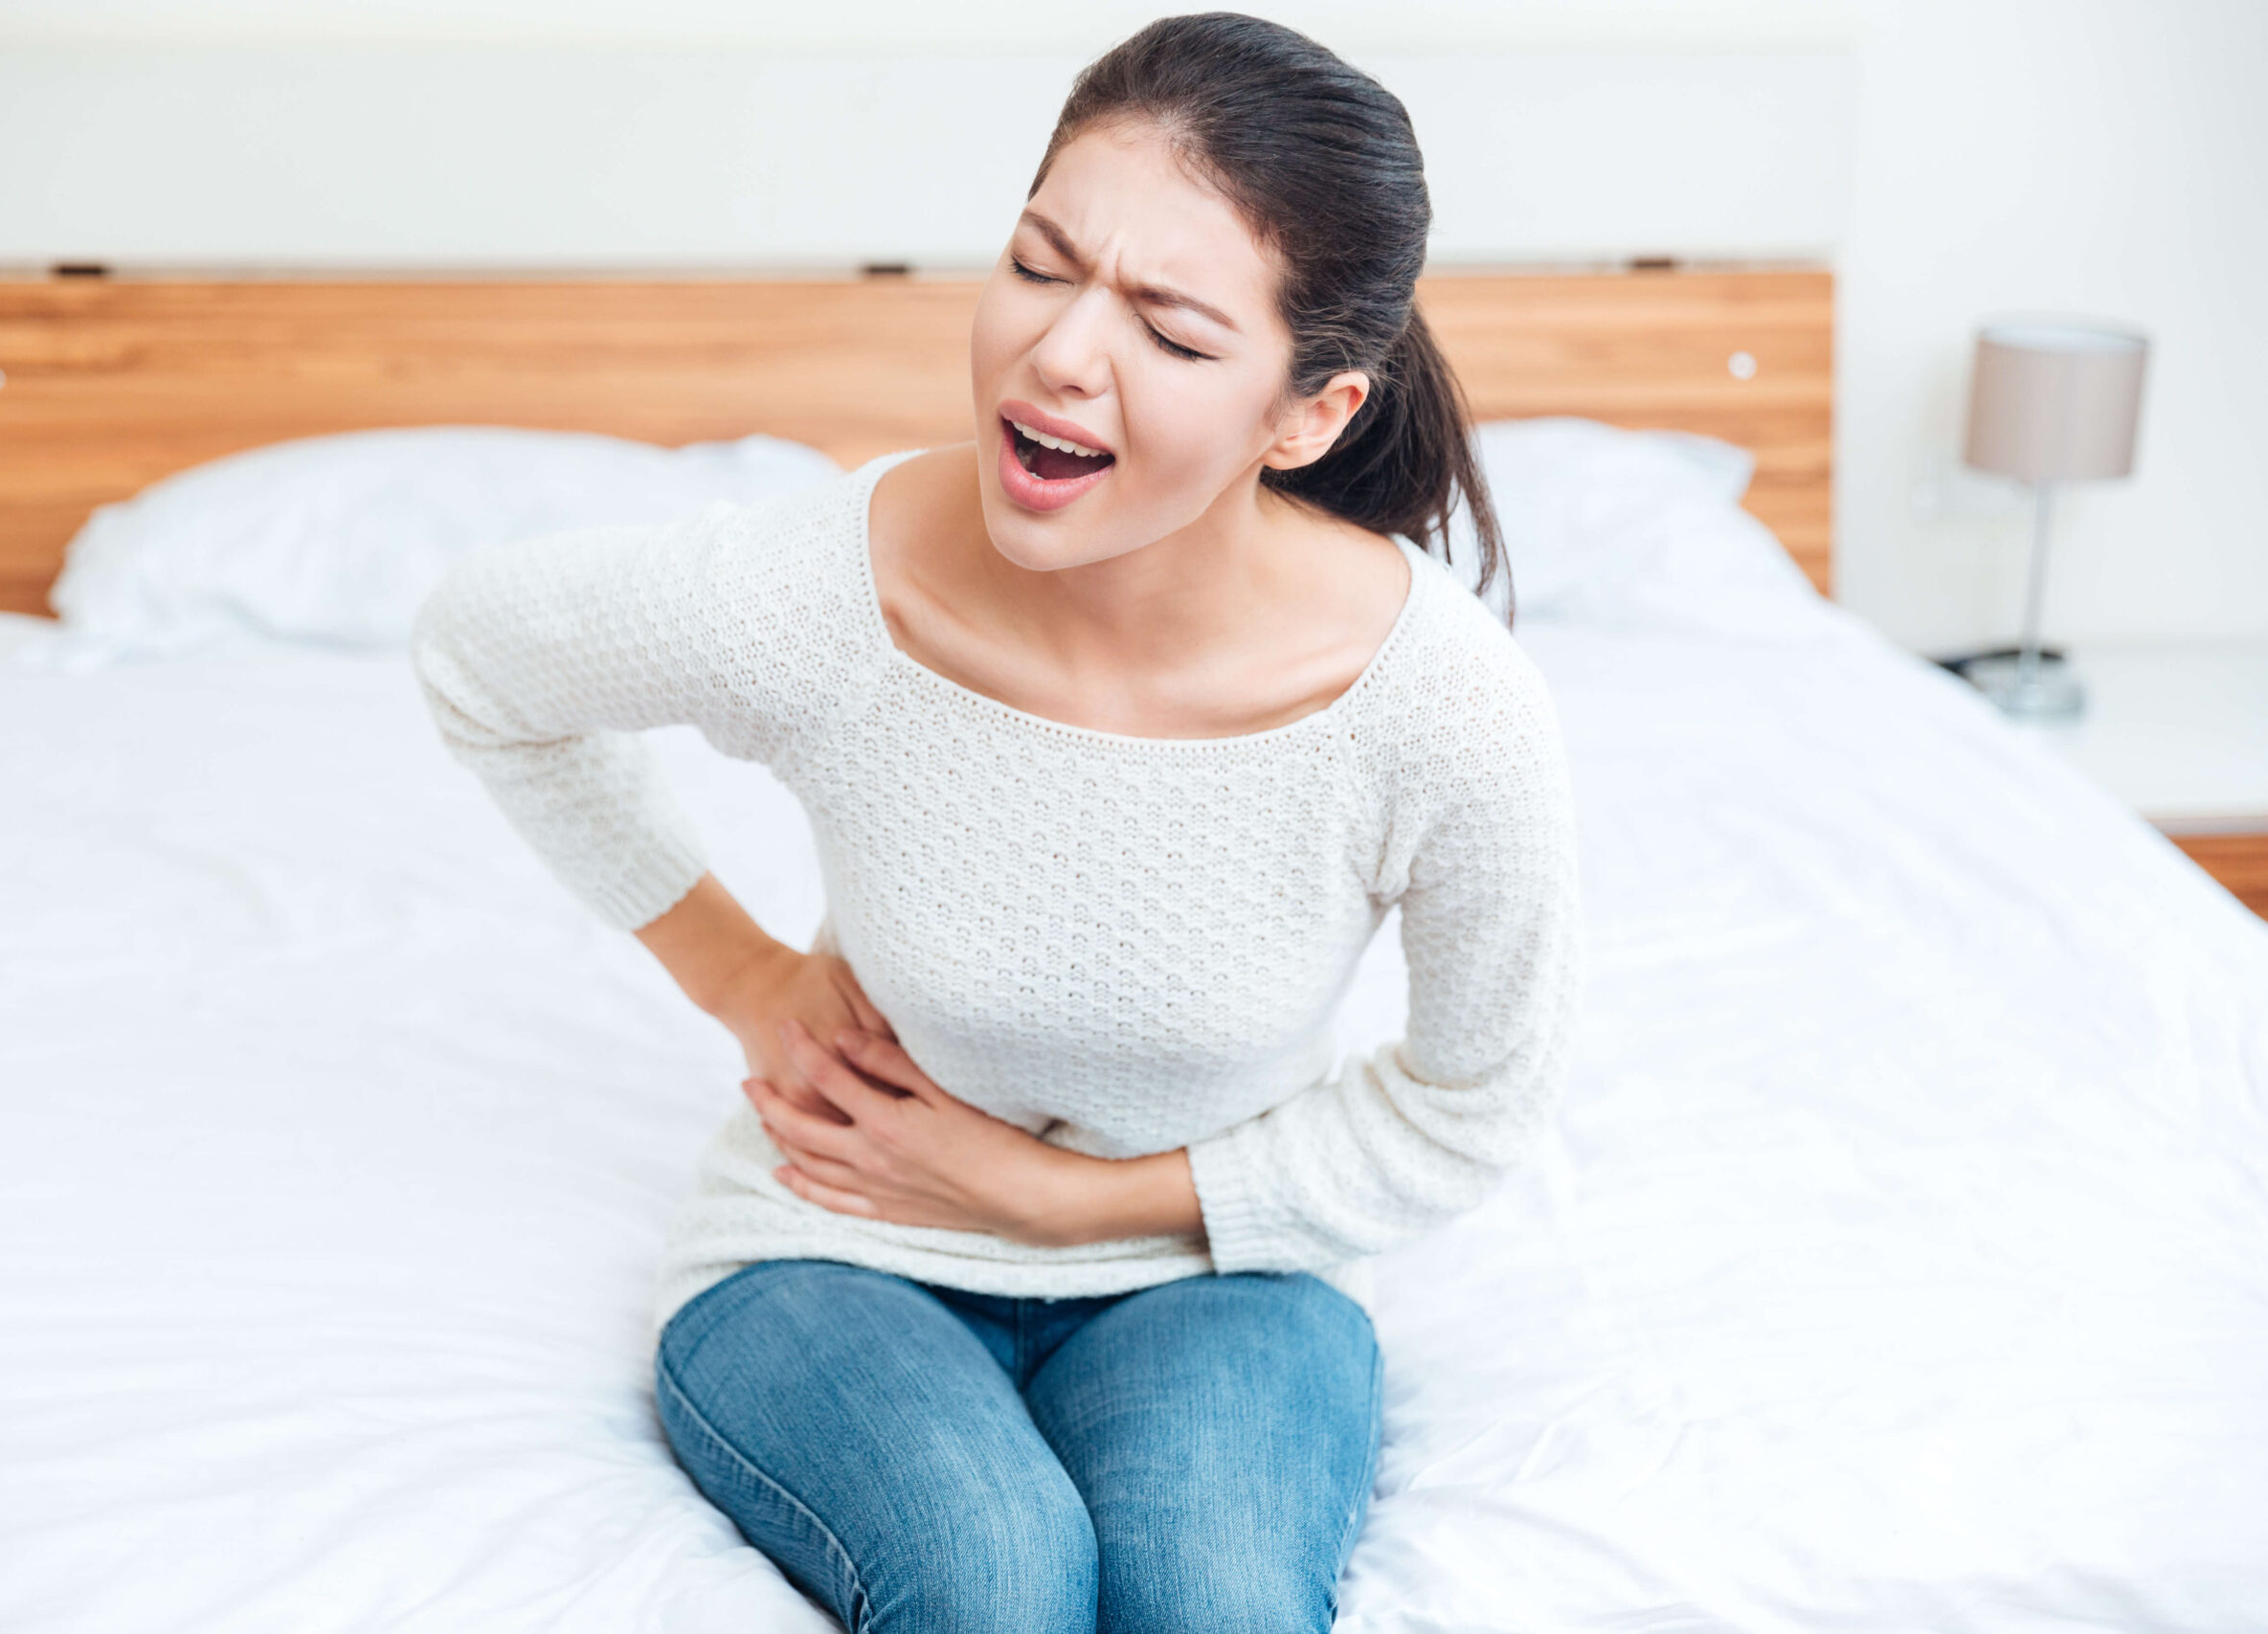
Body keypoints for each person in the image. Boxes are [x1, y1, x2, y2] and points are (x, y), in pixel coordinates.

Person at [411, 12, 1580, 1630]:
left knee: (1216, 1606)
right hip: (832, 1244)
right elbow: (482, 657)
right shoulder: (821, 593)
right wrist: (743, 977)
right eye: (1042, 265)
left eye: (1170, 333)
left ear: (1304, 416)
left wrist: (1069, 1201)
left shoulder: (1440, 710)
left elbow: (1471, 1106)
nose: (1061, 356)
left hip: (1210, 1282)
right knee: (992, 1576)